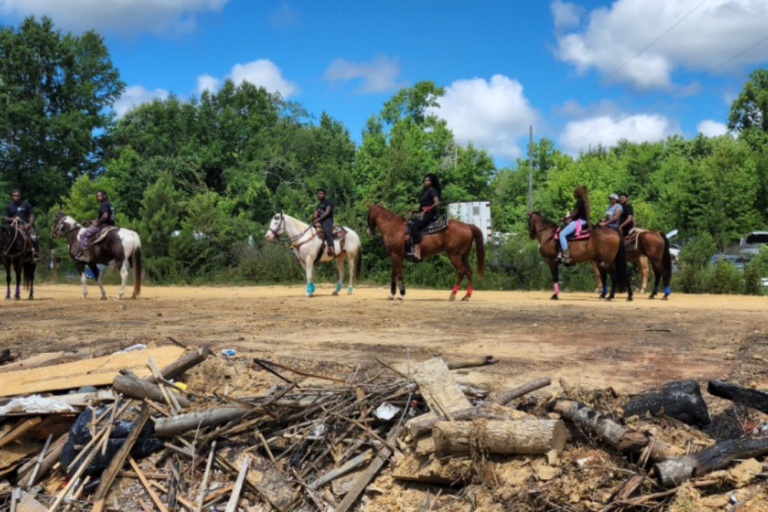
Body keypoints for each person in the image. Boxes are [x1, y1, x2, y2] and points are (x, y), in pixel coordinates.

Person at [77, 190, 115, 261]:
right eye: (97, 196)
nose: (98, 198)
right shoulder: (109, 204)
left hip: (103, 226)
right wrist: (90, 221)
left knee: (82, 235)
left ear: (104, 196)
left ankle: (86, 255)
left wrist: (97, 224)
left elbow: (105, 216)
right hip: (111, 225)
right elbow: (101, 218)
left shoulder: (103, 204)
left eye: (99, 196)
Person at [410, 173, 441, 260]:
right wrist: (414, 211)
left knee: (414, 227)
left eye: (427, 181)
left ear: (432, 182)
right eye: (424, 181)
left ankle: (417, 251)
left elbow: (437, 203)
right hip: (425, 212)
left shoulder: (432, 190)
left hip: (430, 214)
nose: (425, 182)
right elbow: (425, 205)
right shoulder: (425, 192)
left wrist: (425, 211)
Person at [3, 189, 40, 261]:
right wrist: (13, 219)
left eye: (17, 195)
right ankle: (2, 255)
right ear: (12, 196)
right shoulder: (8, 206)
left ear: (20, 196)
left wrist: (29, 224)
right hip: (11, 227)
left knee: (34, 237)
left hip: (24, 225)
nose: (16, 197)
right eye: (14, 195)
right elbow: (5, 218)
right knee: (2, 237)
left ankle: (35, 254)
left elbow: (32, 215)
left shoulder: (26, 204)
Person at [558, 185, 590, 264]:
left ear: (578, 193)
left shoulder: (579, 201)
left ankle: (566, 257)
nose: (574, 194)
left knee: (561, 234)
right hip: (584, 221)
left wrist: (564, 218)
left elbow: (574, 214)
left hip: (579, 222)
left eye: (575, 192)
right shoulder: (585, 201)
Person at [310, 188, 335, 257]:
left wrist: (318, 219)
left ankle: (332, 247)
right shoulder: (318, 205)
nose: (320, 195)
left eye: (321, 193)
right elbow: (315, 215)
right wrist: (313, 216)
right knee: (309, 229)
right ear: (317, 195)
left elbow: (327, 212)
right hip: (320, 221)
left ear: (324, 194)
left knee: (326, 231)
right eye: (319, 194)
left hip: (328, 220)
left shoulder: (328, 202)